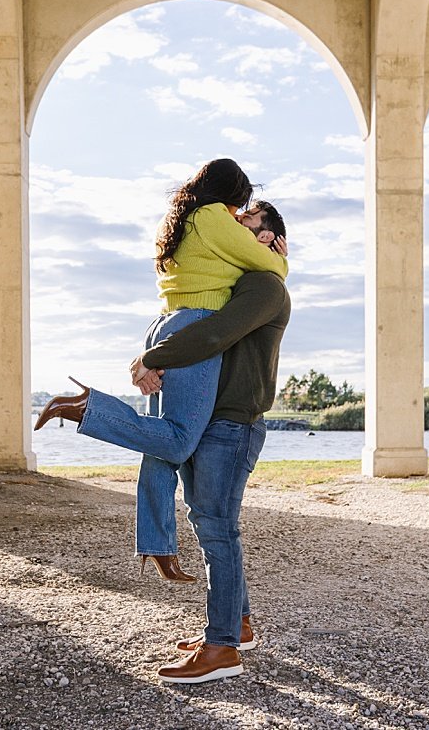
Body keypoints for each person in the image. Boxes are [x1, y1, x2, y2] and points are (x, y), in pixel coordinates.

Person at [34, 162, 289, 581]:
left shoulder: (182, 219)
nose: (238, 216)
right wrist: (280, 258)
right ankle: (87, 408)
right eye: (240, 207)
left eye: (247, 215)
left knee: (159, 444)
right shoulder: (213, 217)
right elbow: (270, 269)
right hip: (194, 325)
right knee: (178, 440)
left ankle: (157, 544)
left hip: (167, 322)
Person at [144, 203, 291, 687]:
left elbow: (214, 333)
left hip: (233, 423)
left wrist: (153, 356)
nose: (234, 224)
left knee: (218, 531)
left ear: (267, 238)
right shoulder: (239, 281)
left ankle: (222, 647)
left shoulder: (264, 287)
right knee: (211, 524)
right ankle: (238, 624)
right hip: (213, 419)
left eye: (246, 220)